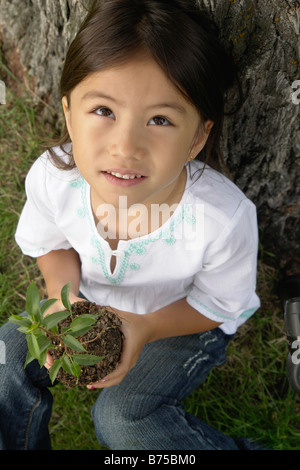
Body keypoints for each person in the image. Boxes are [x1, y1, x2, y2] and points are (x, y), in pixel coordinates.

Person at [0, 0, 262, 450]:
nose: (126, 146)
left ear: (197, 137)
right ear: (68, 113)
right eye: (103, 110)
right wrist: (62, 298)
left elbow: (221, 306)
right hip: (88, 306)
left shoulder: (221, 219)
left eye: (160, 120)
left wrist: (144, 328)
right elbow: (55, 243)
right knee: (5, 357)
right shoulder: (54, 178)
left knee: (122, 420)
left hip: (179, 322)